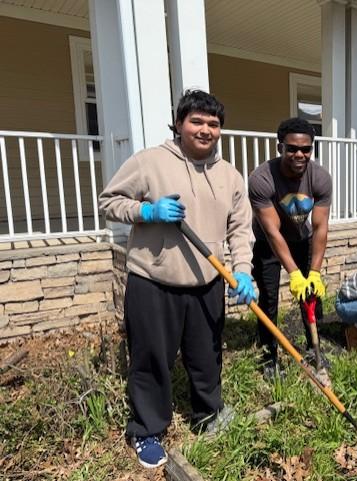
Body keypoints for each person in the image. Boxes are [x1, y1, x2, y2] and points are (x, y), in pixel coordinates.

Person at [99, 90, 256, 469]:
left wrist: (243, 270)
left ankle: (207, 413)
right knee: (152, 356)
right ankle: (146, 429)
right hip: (154, 280)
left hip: (207, 281)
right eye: (197, 122)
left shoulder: (229, 174)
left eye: (213, 124)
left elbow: (241, 229)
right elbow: (108, 202)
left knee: (207, 356)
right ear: (180, 124)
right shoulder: (150, 162)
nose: (206, 130)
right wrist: (146, 210)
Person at [248, 117, 332, 379]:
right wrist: (294, 274)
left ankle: (312, 347)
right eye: (292, 148)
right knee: (269, 299)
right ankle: (269, 354)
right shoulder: (262, 178)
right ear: (279, 147)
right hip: (268, 243)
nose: (299, 154)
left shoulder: (320, 178)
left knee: (311, 296)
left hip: (301, 239)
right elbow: (272, 232)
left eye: (305, 149)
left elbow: (320, 228)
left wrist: (313, 273)